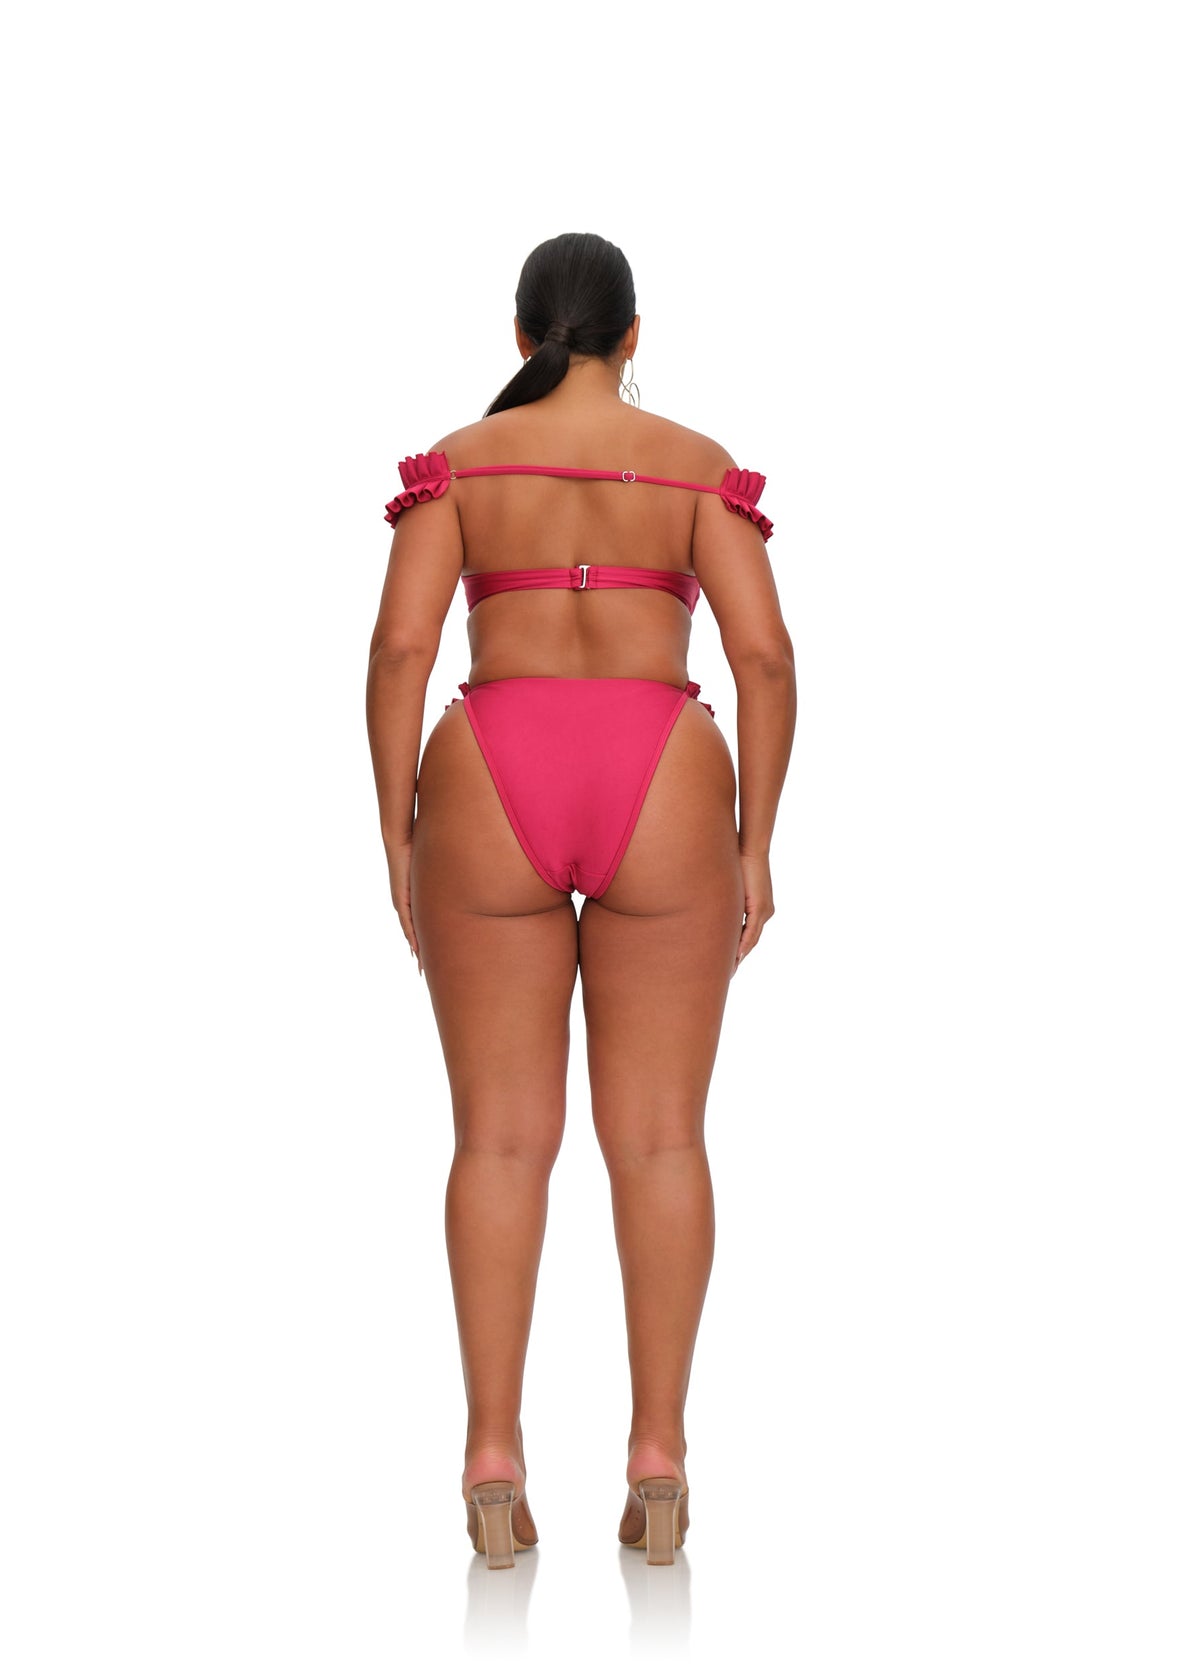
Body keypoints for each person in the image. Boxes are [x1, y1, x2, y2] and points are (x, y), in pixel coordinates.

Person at [365, 232, 796, 1568]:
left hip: (491, 769)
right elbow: (765, 658)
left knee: (499, 1143)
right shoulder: (696, 468)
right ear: (633, 334)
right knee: (659, 1141)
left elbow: (401, 647)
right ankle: (659, 1454)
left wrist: (396, 832)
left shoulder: (458, 467)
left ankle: (492, 1454)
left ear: (521, 337)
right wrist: (756, 844)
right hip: (660, 771)